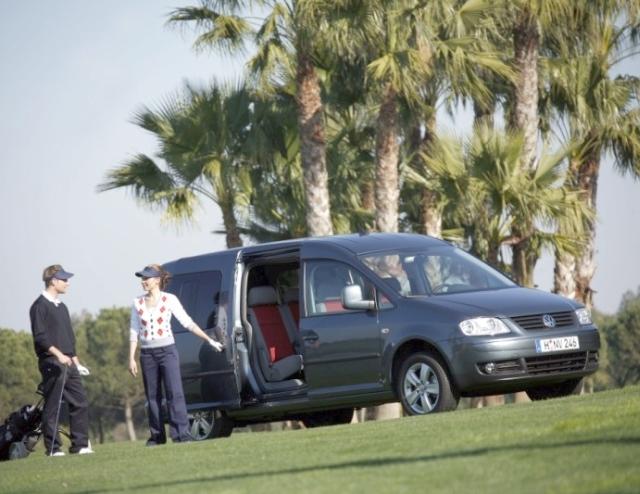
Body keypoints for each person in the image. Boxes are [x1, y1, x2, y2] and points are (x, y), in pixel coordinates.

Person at [128, 264, 223, 446]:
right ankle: (156, 437)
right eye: (142, 278)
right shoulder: (137, 303)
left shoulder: (169, 300)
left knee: (175, 393)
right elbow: (134, 330)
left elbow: (188, 323)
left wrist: (209, 340)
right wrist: (131, 358)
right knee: (152, 397)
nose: (143, 282)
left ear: (157, 280)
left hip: (167, 352)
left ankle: (181, 435)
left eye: (146, 278)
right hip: (147, 354)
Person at [29, 265, 93, 456]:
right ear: (53, 281)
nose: (67, 283)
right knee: (53, 405)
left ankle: (80, 445)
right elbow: (40, 337)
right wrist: (59, 355)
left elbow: (69, 339)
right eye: (64, 280)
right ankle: (53, 448)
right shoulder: (39, 306)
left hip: (69, 362)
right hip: (52, 362)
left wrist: (76, 363)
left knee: (80, 402)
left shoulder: (62, 307)